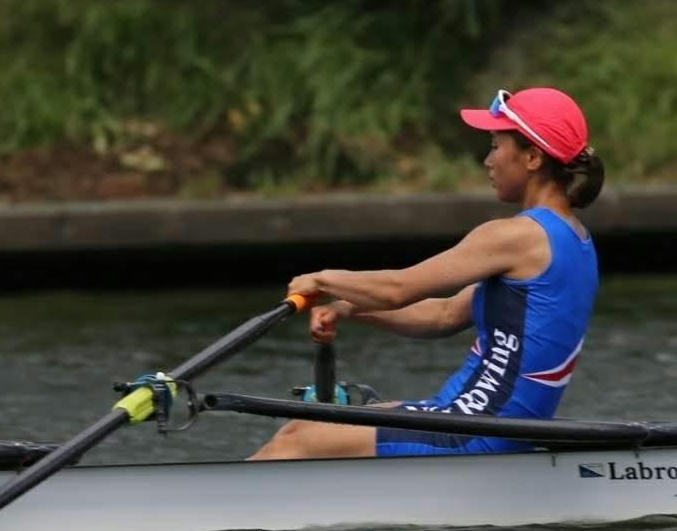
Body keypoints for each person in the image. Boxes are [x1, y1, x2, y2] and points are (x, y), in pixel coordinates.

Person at [252, 87, 603, 460]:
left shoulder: (519, 236)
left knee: (296, 442)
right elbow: (444, 315)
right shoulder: (573, 239)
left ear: (532, 157)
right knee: (308, 427)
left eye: (495, 146)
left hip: (477, 431)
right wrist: (347, 307)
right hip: (473, 417)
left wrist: (322, 280)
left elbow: (398, 288)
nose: (488, 161)